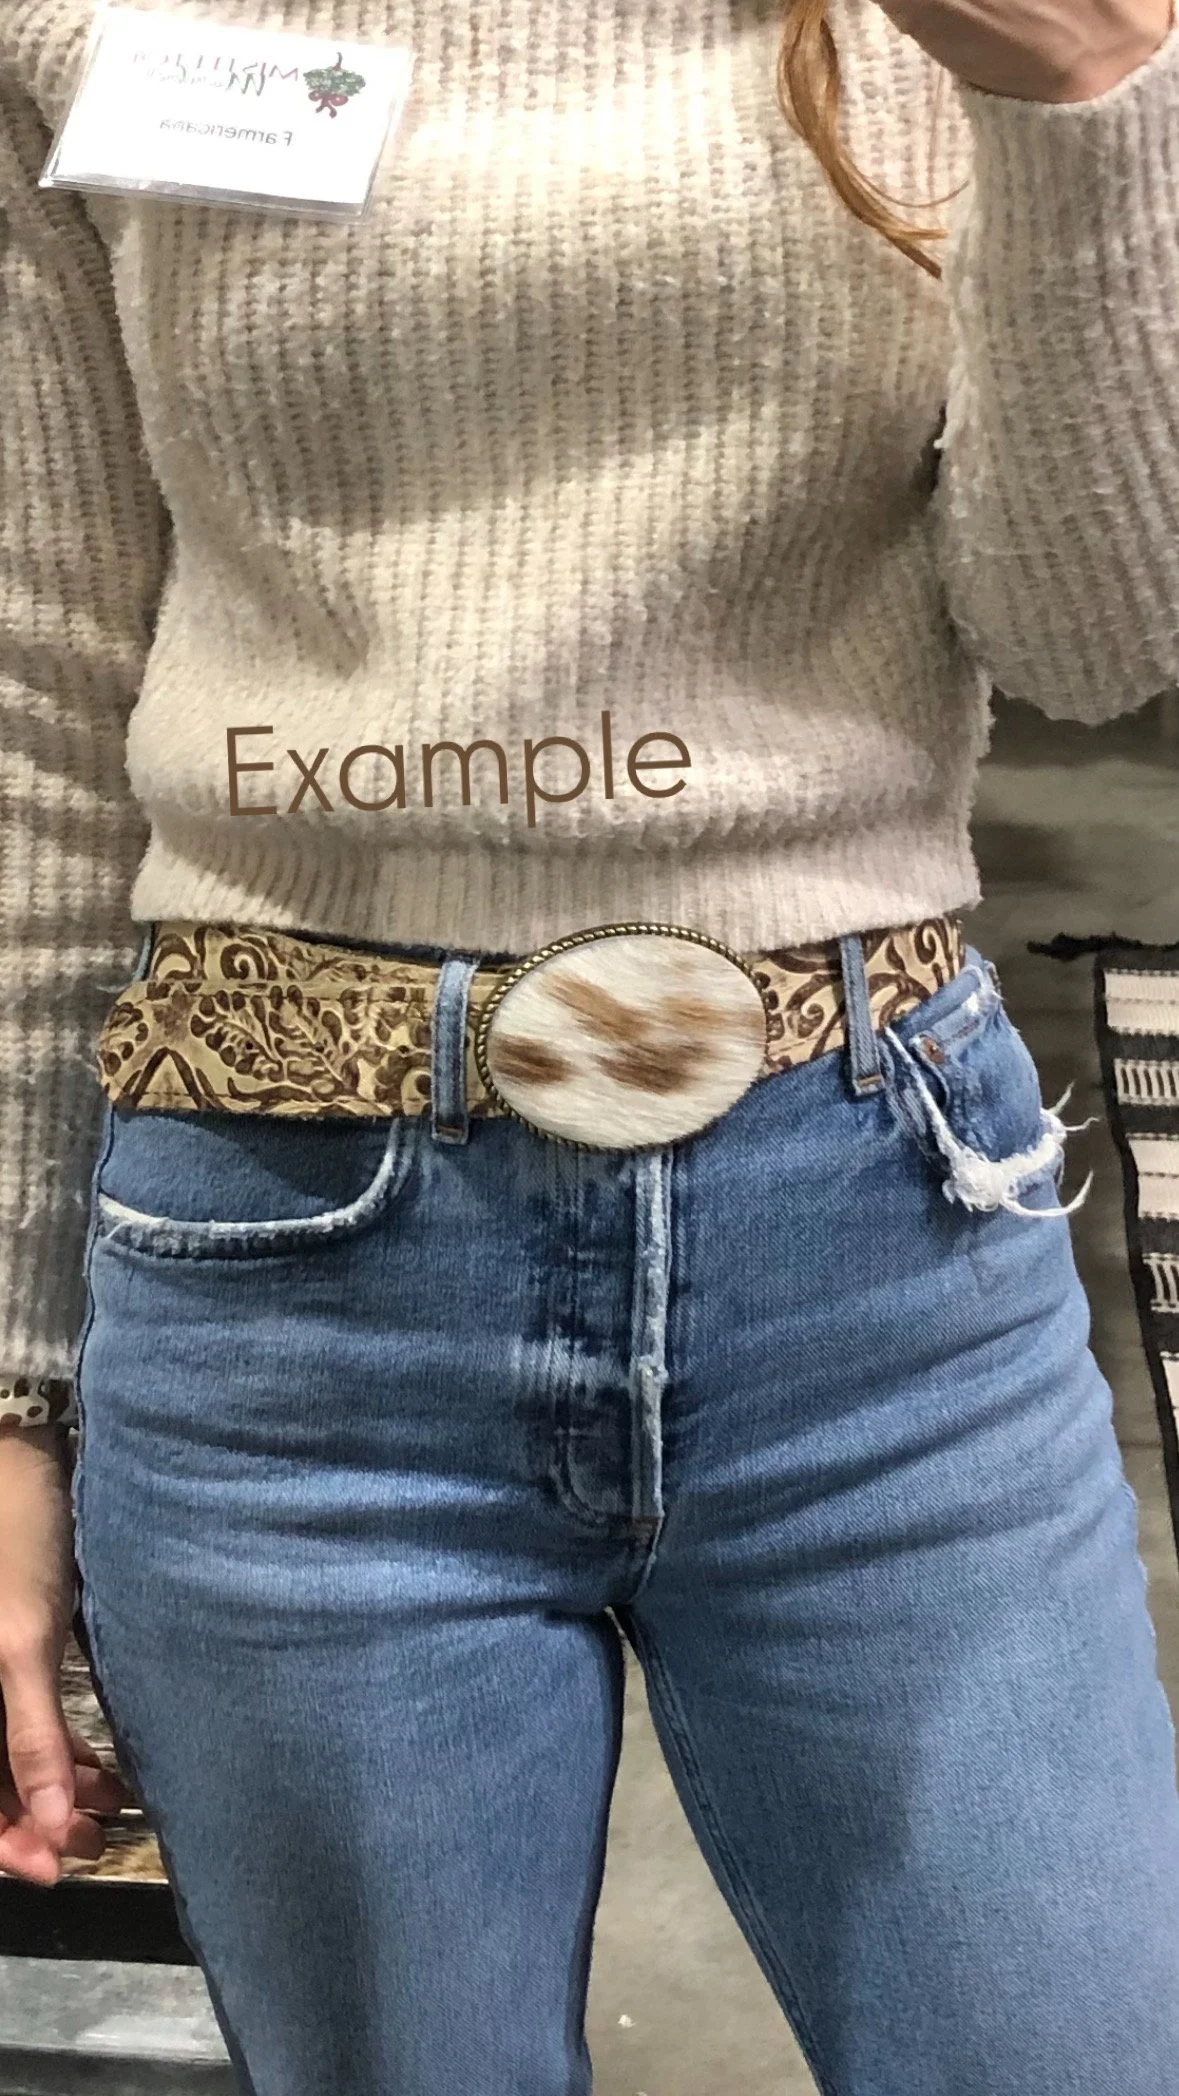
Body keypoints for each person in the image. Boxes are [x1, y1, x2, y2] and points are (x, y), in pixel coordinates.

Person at [2, 0, 1178, 2089]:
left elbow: (1095, 644)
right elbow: (47, 687)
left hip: (881, 1258)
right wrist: (15, 1392)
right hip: (285, 1289)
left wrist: (1083, 86)